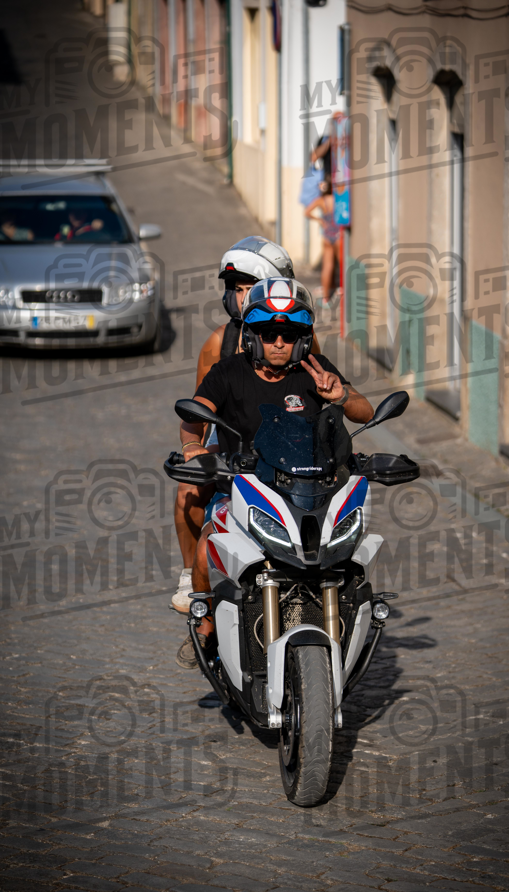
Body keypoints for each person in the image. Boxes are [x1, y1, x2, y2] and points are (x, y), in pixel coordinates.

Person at [175, 277, 374, 668]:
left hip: (309, 489)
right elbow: (194, 415)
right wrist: (192, 447)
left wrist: (342, 396)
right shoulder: (228, 372)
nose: (279, 343)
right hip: (245, 487)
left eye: (289, 335)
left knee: (350, 554)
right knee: (204, 549)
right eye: (269, 334)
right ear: (253, 336)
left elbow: (364, 412)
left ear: (302, 338)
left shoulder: (315, 371)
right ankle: (208, 623)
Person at [172, 236, 319, 612]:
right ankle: (192, 579)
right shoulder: (219, 343)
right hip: (235, 444)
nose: (238, 298)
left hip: (289, 448)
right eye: (234, 289)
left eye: (247, 288)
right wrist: (195, 449)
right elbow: (201, 413)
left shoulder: (300, 337)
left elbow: (318, 394)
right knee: (187, 490)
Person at [305, 174, 340, 309]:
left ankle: (326, 299)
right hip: (339, 234)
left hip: (327, 236)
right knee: (342, 264)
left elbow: (307, 212)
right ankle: (342, 290)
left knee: (327, 266)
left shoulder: (321, 200)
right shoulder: (338, 199)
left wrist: (320, 220)